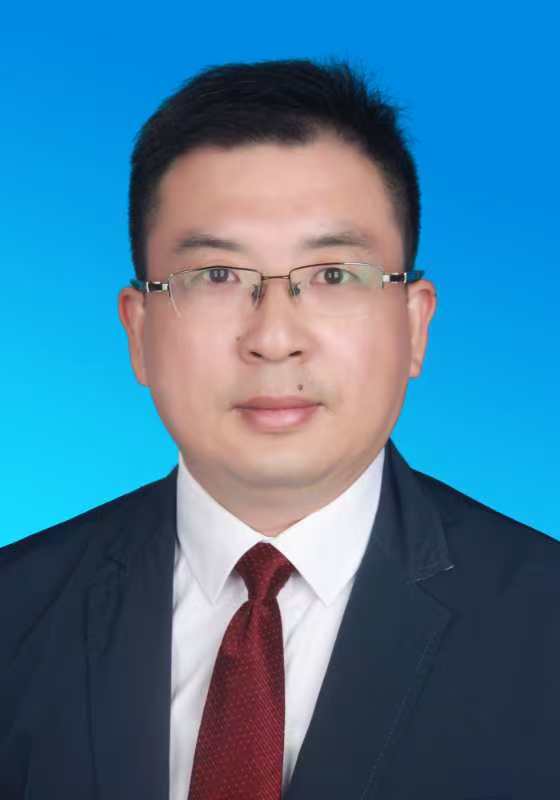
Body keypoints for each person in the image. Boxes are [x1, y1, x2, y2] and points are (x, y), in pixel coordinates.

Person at [1, 58, 559, 800]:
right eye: (216, 277)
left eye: (332, 275)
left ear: (415, 324)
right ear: (138, 332)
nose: (273, 339)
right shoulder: (16, 615)